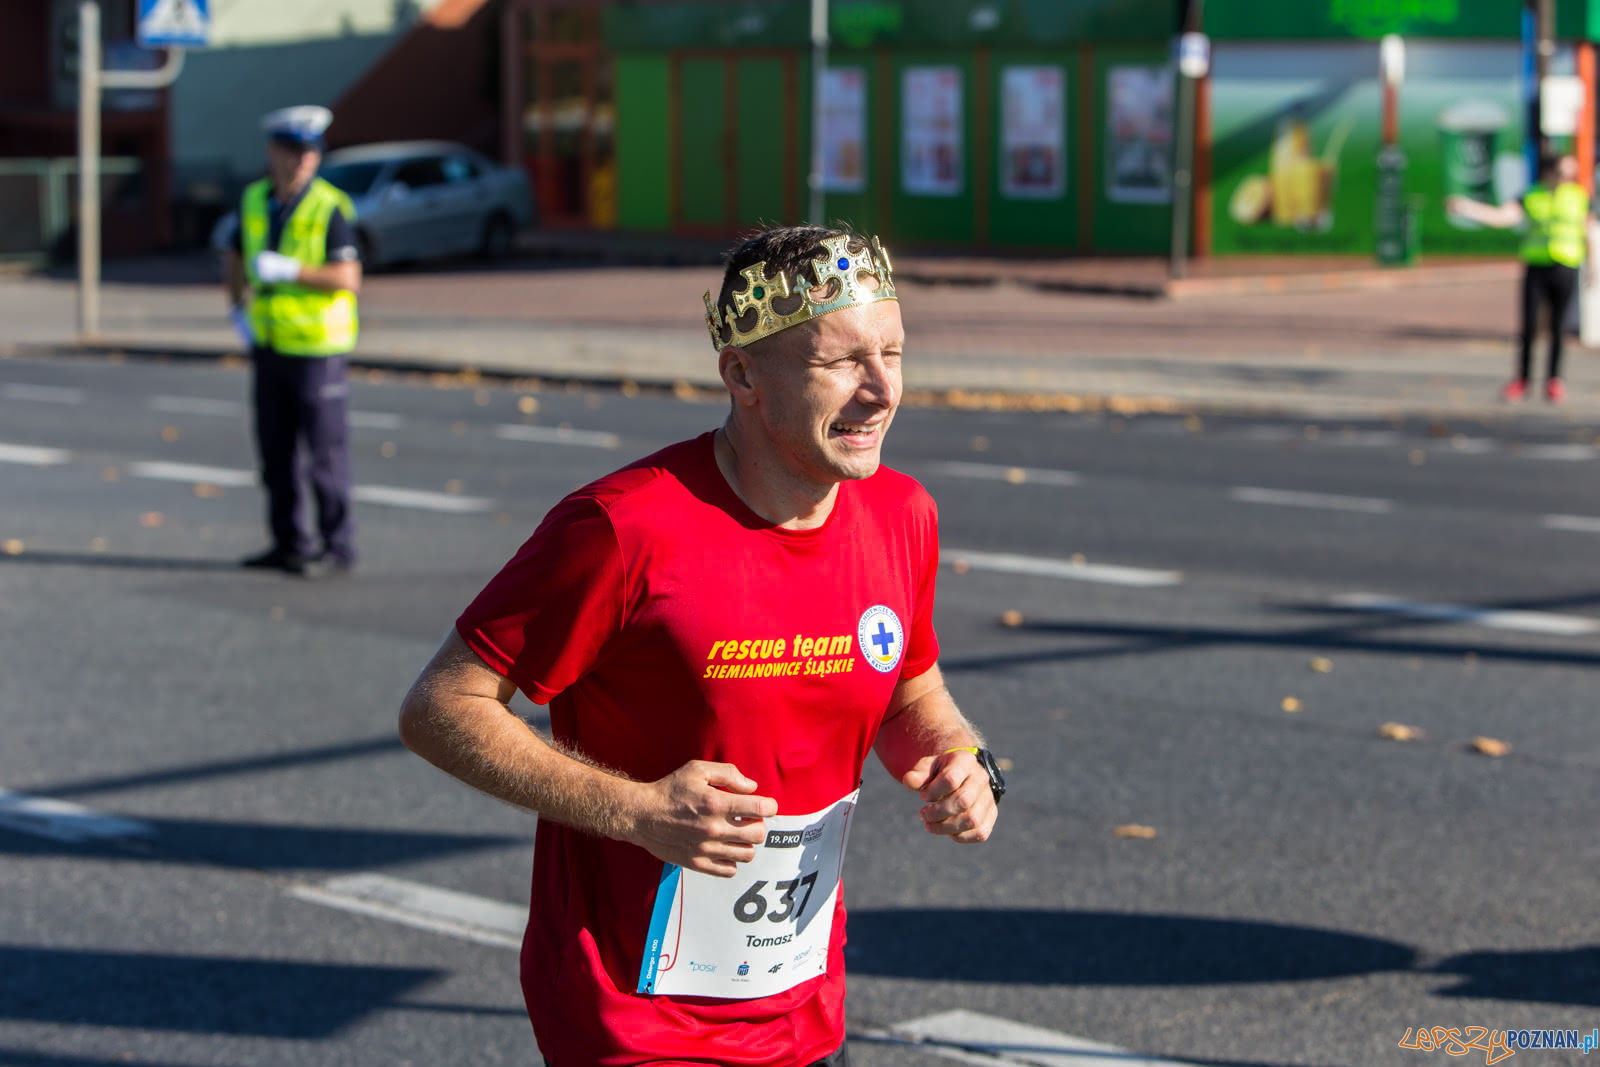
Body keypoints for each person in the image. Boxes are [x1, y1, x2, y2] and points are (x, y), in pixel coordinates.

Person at [398, 226, 1003, 1066]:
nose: (879, 391)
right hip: (633, 1024)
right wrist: (639, 812)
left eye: (892, 353)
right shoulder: (623, 527)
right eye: (840, 362)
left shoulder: (903, 514)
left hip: (805, 1009)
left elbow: (909, 688)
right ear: (744, 375)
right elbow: (439, 708)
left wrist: (959, 757)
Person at [223, 105, 361, 576]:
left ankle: (336, 546)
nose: (305, 161)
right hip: (269, 345)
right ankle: (289, 544)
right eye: (296, 151)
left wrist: (292, 271)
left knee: (325, 455)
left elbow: (348, 276)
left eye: (311, 152)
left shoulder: (329, 206)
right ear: (274, 152)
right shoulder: (256, 199)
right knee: (274, 451)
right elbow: (234, 251)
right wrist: (236, 307)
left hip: (317, 349)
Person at [1447, 152, 1597, 404]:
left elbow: (1589, 232)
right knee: (1528, 326)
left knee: (1558, 327)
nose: (1566, 178)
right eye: (1562, 172)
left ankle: (1554, 380)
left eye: (1570, 173)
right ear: (1549, 172)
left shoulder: (1579, 197)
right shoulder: (1531, 195)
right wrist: (1468, 208)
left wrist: (1593, 268)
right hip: (1537, 267)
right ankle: (1522, 379)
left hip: (1566, 266)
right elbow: (1501, 217)